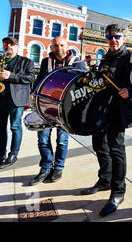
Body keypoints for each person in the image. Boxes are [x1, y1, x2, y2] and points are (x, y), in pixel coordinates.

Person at [80, 24, 132, 217]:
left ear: (123, 38)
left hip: (119, 109)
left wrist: (129, 90)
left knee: (116, 149)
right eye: (109, 37)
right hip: (102, 108)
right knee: (99, 145)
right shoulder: (106, 57)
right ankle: (105, 180)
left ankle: (118, 191)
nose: (113, 40)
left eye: (116, 36)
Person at [29, 37, 86, 185]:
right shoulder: (45, 62)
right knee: (42, 139)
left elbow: (83, 85)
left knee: (62, 140)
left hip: (66, 109)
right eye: (55, 45)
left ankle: (58, 167)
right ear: (52, 47)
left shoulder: (77, 62)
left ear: (67, 47)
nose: (58, 48)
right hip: (46, 106)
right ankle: (46, 167)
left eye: (61, 45)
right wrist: (34, 91)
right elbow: (40, 79)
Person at [0, 36, 35, 169]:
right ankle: (0, 155)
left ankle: (13, 155)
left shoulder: (26, 62)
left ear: (17, 47)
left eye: (11, 44)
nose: (8, 46)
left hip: (16, 99)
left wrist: (10, 75)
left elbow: (30, 78)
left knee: (15, 127)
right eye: (5, 44)